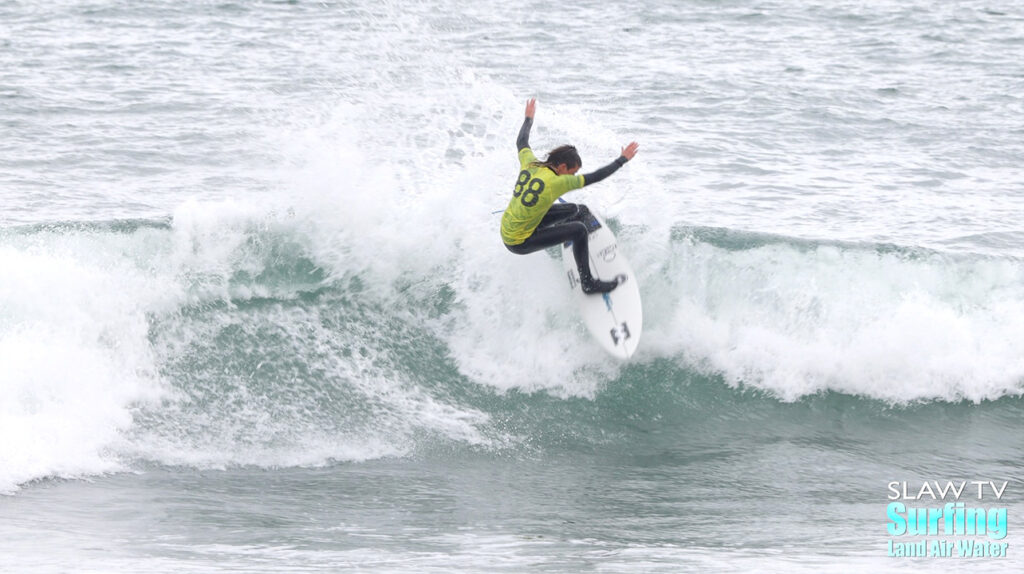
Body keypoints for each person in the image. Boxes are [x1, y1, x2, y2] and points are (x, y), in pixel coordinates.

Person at [500, 98, 639, 294]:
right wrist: (622, 159)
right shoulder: (558, 181)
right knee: (579, 229)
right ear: (562, 167)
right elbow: (596, 176)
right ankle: (588, 284)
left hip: (509, 225)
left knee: (575, 210)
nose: (572, 177)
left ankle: (566, 234)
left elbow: (521, 141)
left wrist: (528, 119)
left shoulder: (530, 162)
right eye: (572, 172)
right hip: (519, 241)